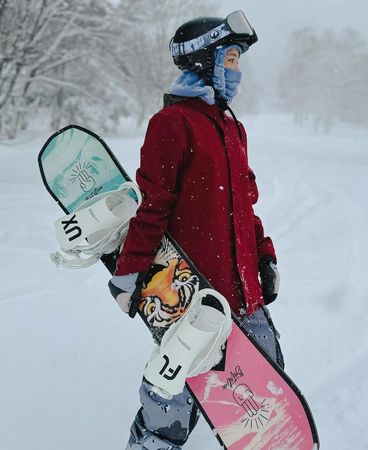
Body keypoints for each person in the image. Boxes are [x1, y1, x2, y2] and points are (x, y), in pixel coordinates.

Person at [109, 10, 283, 450]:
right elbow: (152, 207)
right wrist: (130, 272)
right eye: (230, 59)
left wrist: (264, 255)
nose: (237, 71)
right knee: (176, 388)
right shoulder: (171, 125)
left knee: (265, 381)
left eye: (238, 61)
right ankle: (153, 442)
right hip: (191, 291)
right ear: (204, 60)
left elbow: (243, 202)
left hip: (245, 290)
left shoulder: (230, 127)